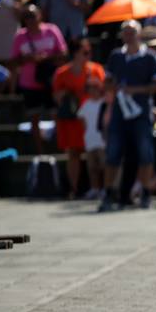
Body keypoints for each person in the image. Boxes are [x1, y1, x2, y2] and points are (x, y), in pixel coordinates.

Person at [98, 21, 156, 212]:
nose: (129, 36)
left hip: (141, 113)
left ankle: (145, 193)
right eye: (125, 32)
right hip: (119, 112)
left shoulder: (149, 57)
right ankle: (108, 193)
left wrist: (135, 90)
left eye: (132, 32)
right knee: (112, 153)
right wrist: (114, 87)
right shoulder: (116, 56)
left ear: (139, 34)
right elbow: (107, 81)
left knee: (145, 153)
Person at [52, 38, 105, 199]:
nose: (89, 55)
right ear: (75, 53)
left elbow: (104, 91)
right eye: (85, 52)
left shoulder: (96, 70)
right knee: (73, 153)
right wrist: (66, 94)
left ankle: (100, 188)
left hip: (92, 119)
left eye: (89, 52)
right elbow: (56, 97)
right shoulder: (61, 73)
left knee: (97, 154)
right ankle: (74, 189)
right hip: (71, 119)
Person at [10, 5, 67, 153]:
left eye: (33, 16)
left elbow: (63, 54)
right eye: (27, 17)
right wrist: (27, 59)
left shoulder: (52, 30)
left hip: (50, 82)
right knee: (34, 118)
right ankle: (40, 152)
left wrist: (46, 58)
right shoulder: (20, 36)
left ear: (40, 16)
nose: (30, 20)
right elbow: (13, 61)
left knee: (56, 115)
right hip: (29, 84)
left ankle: (61, 148)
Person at [77, 77, 107, 199]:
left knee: (104, 166)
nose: (93, 91)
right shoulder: (85, 105)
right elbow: (82, 120)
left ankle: (105, 188)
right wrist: (89, 132)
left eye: (95, 88)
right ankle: (95, 188)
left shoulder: (104, 103)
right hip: (90, 140)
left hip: (103, 141)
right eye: (90, 88)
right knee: (92, 167)